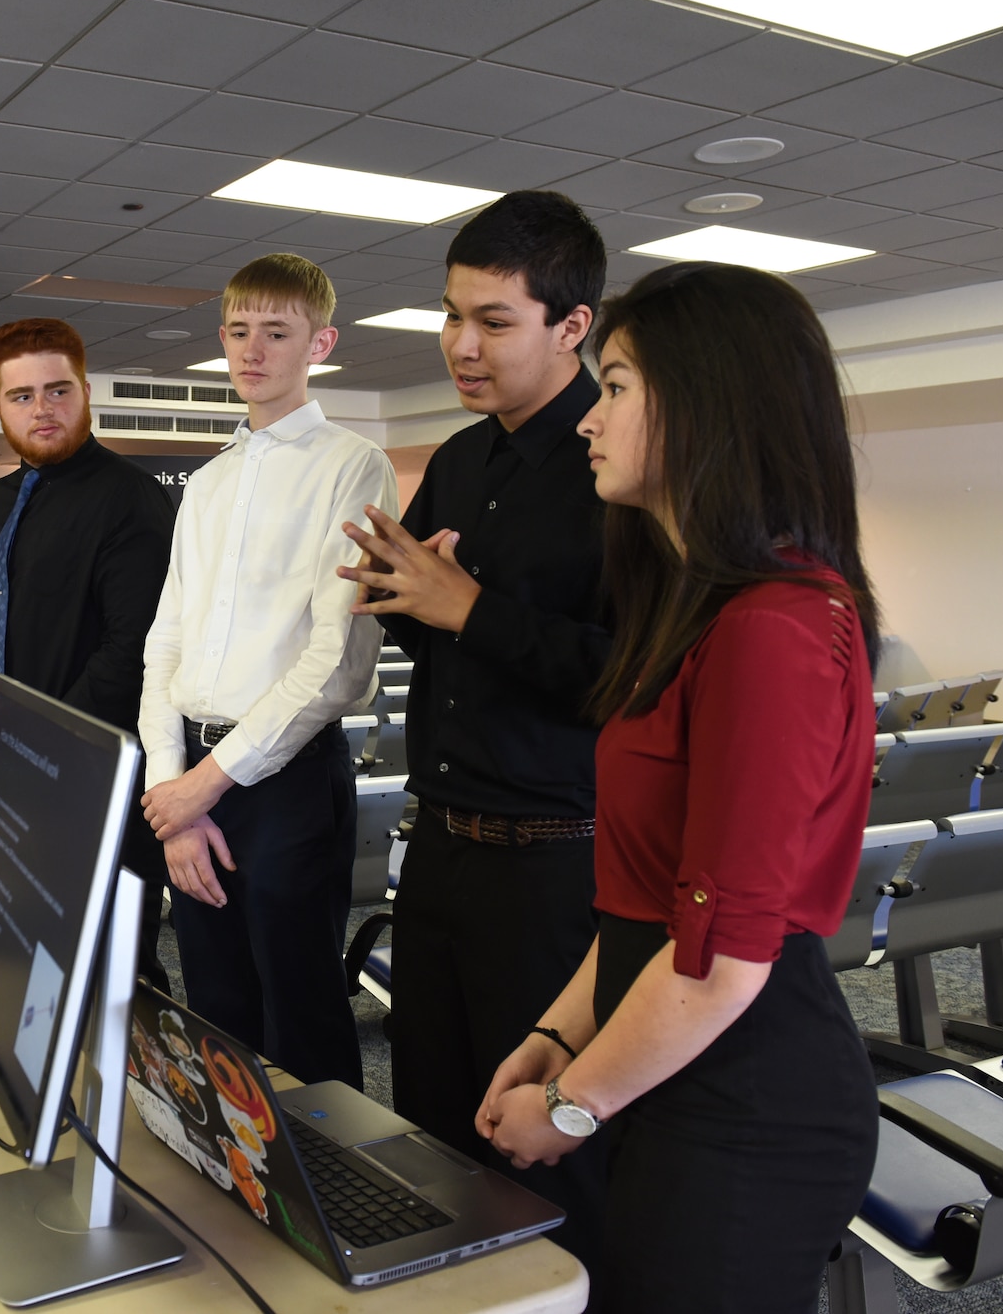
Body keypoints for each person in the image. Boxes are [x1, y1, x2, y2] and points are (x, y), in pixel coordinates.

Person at [473, 261, 881, 1310]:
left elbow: (719, 964)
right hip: (661, 1060)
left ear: (704, 405)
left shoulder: (772, 628)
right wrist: (556, 1038)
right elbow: (640, 903)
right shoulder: (704, 612)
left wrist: (569, 1106)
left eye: (612, 387)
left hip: (743, 1093)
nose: (585, 421)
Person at [337, 190, 613, 1267]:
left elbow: (631, 676)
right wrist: (405, 603)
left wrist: (467, 610)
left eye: (492, 321)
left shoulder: (615, 471)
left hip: (555, 869)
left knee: (544, 1156)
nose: (459, 345)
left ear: (570, 326)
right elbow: (452, 655)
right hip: (441, 848)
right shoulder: (458, 460)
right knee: (435, 1134)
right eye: (450, 316)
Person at [137, 257, 397, 1088]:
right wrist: (173, 795)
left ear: (319, 343)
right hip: (193, 787)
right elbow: (163, 645)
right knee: (216, 1007)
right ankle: (233, 1197)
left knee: (303, 1017)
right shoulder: (208, 483)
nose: (253, 351)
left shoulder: (353, 465)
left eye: (277, 333)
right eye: (239, 332)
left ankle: (333, 1211)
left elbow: (337, 664)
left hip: (283, 782)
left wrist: (203, 784)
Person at [0, 321, 176, 981]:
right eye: (21, 396)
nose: (40, 409)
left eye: (56, 389)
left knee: (111, 984)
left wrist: (28, 752)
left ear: (85, 391)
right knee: (14, 968)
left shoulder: (132, 501)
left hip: (94, 791)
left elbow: (132, 651)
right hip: (0, 788)